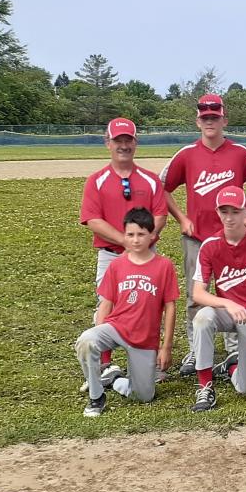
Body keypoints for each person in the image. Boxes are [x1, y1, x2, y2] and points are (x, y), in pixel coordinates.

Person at [159, 94, 246, 377]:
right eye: (205, 118)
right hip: (197, 237)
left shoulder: (240, 153)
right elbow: (161, 187)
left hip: (231, 239)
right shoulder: (187, 155)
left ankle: (234, 349)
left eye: (215, 117)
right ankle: (195, 348)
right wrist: (182, 217)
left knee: (234, 291)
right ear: (198, 121)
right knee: (195, 296)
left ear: (224, 120)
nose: (210, 121)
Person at [79, 117, 167, 387]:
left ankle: (147, 363)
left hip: (146, 257)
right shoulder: (97, 181)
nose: (123, 145)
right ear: (108, 143)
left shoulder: (150, 180)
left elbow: (160, 214)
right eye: (118, 140)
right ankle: (105, 364)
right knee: (106, 305)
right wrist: (126, 241)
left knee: (148, 307)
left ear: (136, 143)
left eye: (128, 140)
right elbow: (92, 219)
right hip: (110, 254)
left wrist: (144, 240)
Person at [75, 207, 179, 417]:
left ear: (152, 235)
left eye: (141, 234)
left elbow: (170, 307)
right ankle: (96, 397)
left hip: (144, 337)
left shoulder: (164, 266)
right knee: (86, 340)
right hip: (116, 327)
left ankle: (114, 379)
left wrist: (165, 347)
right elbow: (106, 303)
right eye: (130, 234)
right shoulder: (117, 265)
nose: (136, 240)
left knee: (144, 396)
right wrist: (99, 336)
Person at [189, 186, 246, 412]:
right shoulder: (210, 245)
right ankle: (205, 386)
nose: (229, 218)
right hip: (226, 311)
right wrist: (227, 303)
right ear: (217, 212)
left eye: (235, 211)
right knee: (202, 318)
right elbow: (198, 293)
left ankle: (232, 366)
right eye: (224, 211)